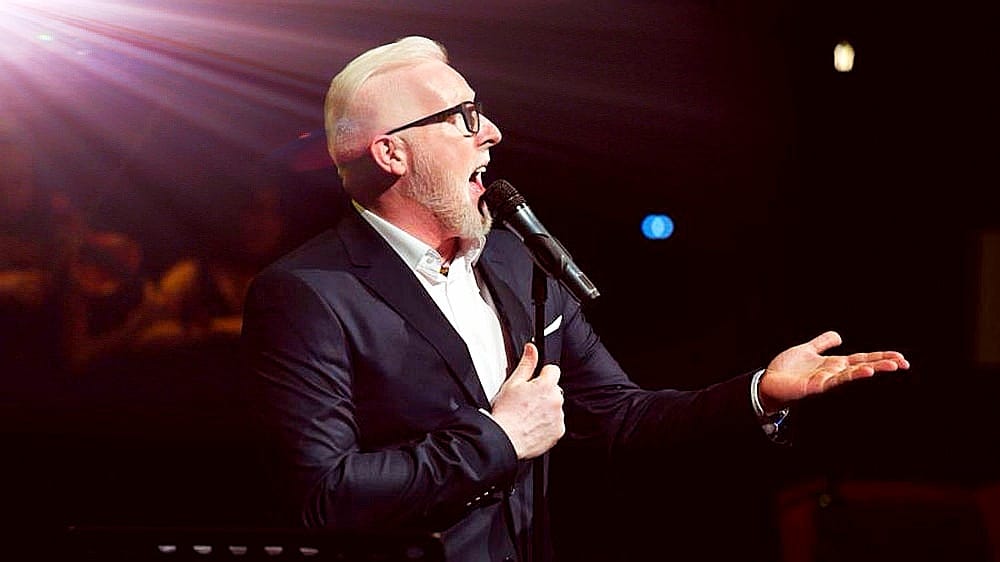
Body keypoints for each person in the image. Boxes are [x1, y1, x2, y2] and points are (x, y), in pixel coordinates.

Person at [240, 36, 910, 562]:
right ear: (392, 153)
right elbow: (322, 497)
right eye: (463, 117)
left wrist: (759, 392)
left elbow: (621, 416)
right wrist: (499, 438)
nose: (491, 131)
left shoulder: (512, 261)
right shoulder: (307, 293)